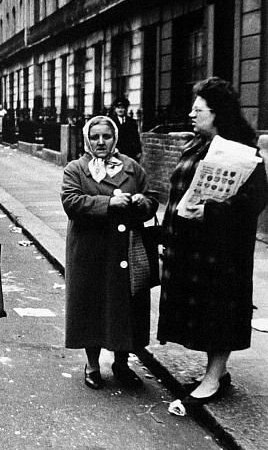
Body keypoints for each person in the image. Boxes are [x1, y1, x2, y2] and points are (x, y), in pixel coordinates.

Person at [157, 78, 268, 408]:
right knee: (201, 311)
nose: (192, 114)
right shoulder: (195, 145)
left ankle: (213, 376)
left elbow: (256, 199)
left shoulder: (241, 152)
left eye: (198, 109)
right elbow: (177, 193)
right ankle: (214, 372)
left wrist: (212, 210)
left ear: (217, 113)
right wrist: (167, 235)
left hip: (222, 251)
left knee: (220, 310)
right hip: (189, 246)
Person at [61, 115, 159, 390]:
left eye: (106, 136)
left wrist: (143, 202)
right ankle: (92, 365)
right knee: (91, 304)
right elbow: (72, 202)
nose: (101, 142)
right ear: (87, 140)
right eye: (95, 137)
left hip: (126, 249)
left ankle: (121, 363)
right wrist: (109, 203)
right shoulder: (76, 169)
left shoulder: (131, 167)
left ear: (114, 138)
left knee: (125, 306)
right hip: (90, 251)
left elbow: (152, 198)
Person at [109, 97, 142, 161]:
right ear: (115, 109)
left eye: (122, 108)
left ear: (126, 109)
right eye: (118, 108)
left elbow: (136, 137)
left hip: (129, 152)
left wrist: (138, 150)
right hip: (115, 151)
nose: (120, 110)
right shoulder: (111, 122)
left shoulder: (132, 122)